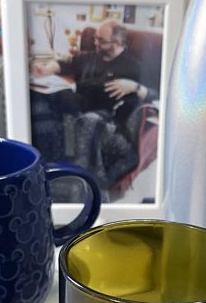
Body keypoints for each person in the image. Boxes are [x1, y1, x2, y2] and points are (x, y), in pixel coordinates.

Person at [30, 21, 157, 198]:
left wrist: (135, 87)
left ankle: (83, 190)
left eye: (101, 41)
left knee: (87, 122)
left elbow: (157, 93)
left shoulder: (134, 66)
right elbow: (63, 64)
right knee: (39, 102)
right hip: (76, 108)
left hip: (109, 120)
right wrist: (45, 70)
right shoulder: (88, 57)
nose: (96, 43)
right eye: (95, 38)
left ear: (118, 42)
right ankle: (48, 176)